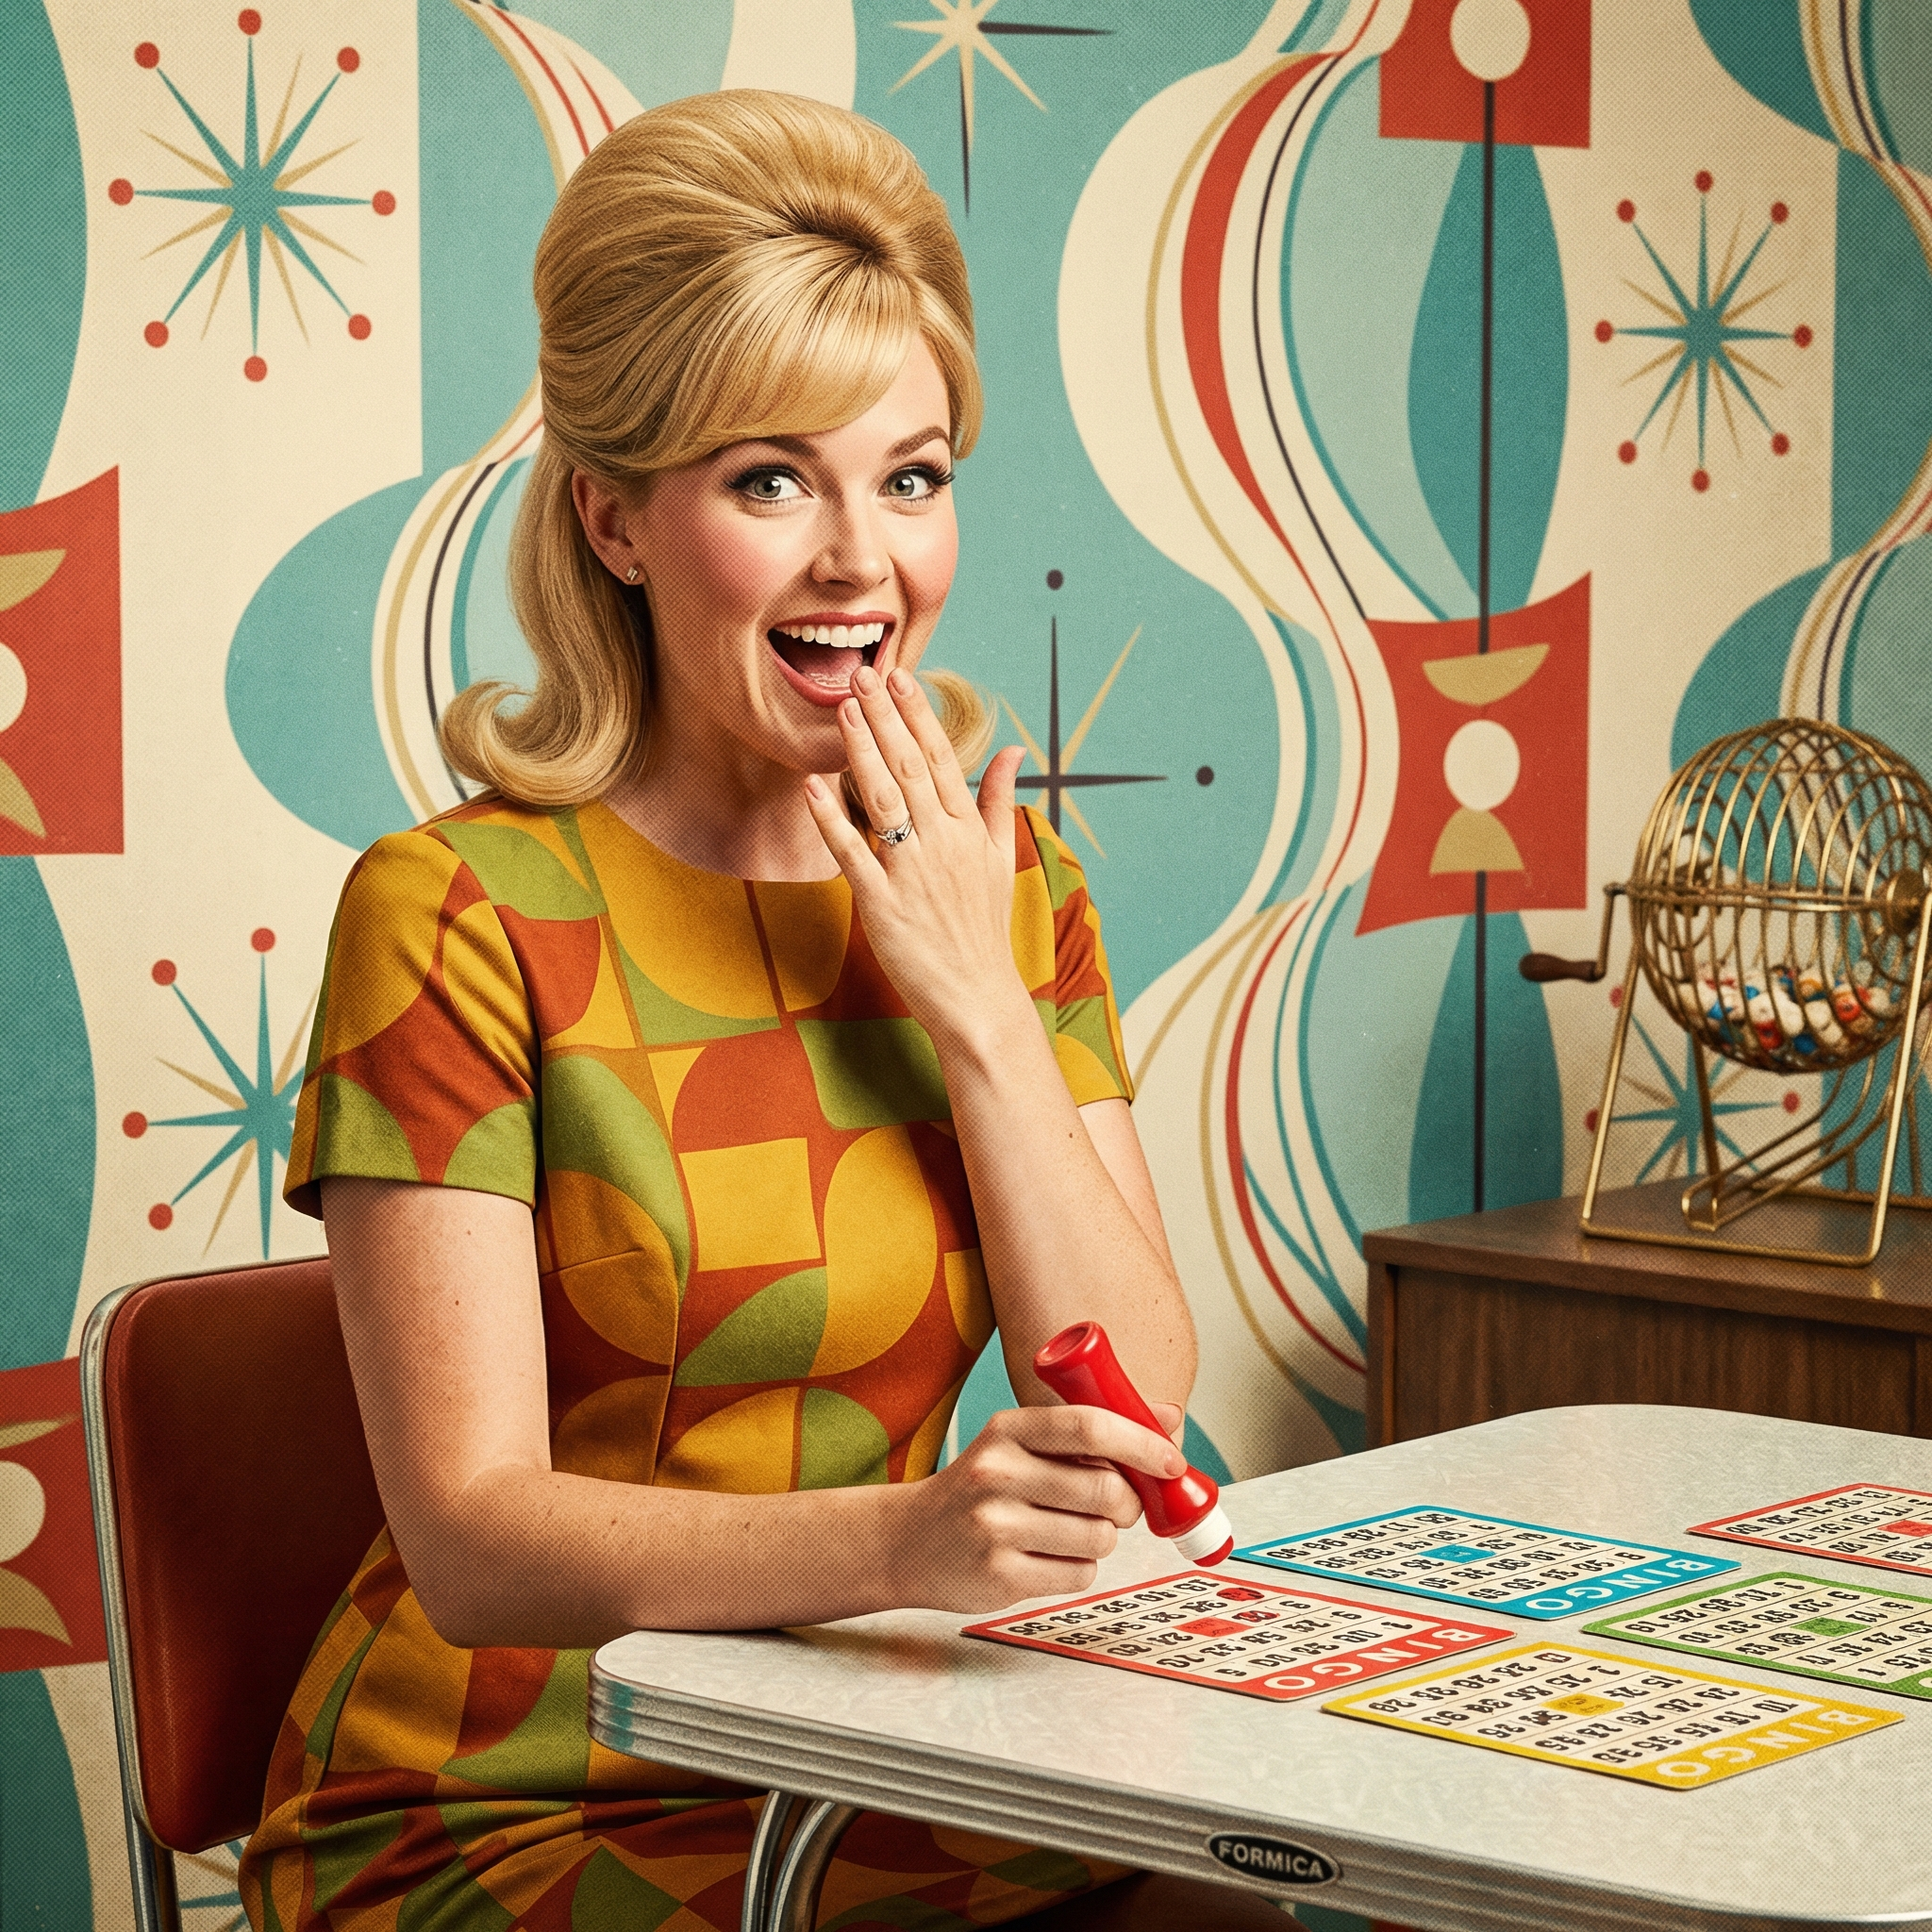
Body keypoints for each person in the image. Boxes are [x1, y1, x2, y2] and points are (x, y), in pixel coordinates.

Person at [242, 90, 1279, 1932]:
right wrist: (900, 1541)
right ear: (616, 522)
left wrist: (972, 1002)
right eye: (768, 478)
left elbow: (1140, 1392)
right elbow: (475, 1538)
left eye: (911, 473)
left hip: (861, 1752)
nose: (861, 561)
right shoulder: (454, 912)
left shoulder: (1003, 888)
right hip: (498, 1798)